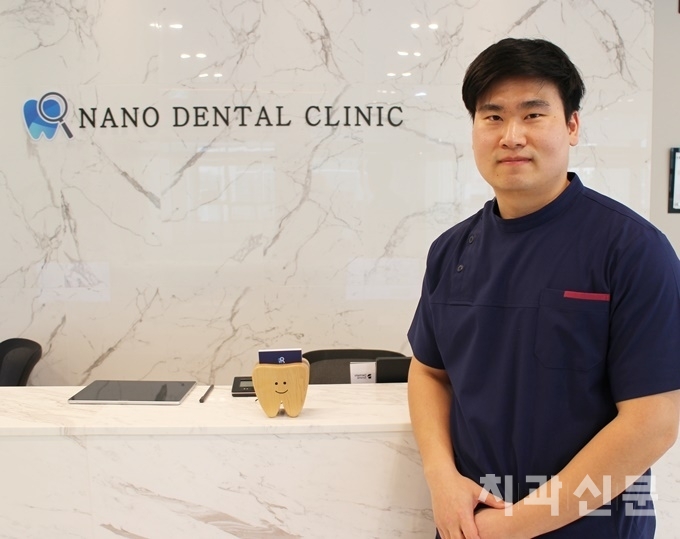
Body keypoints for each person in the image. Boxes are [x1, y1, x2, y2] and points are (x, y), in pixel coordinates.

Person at [407, 37, 680, 539]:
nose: (511, 136)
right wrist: (441, 476)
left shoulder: (633, 249)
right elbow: (428, 371)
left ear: (572, 125)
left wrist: (514, 526)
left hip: (591, 527)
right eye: (492, 117)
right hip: (474, 522)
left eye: (533, 115)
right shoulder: (451, 250)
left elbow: (654, 420)